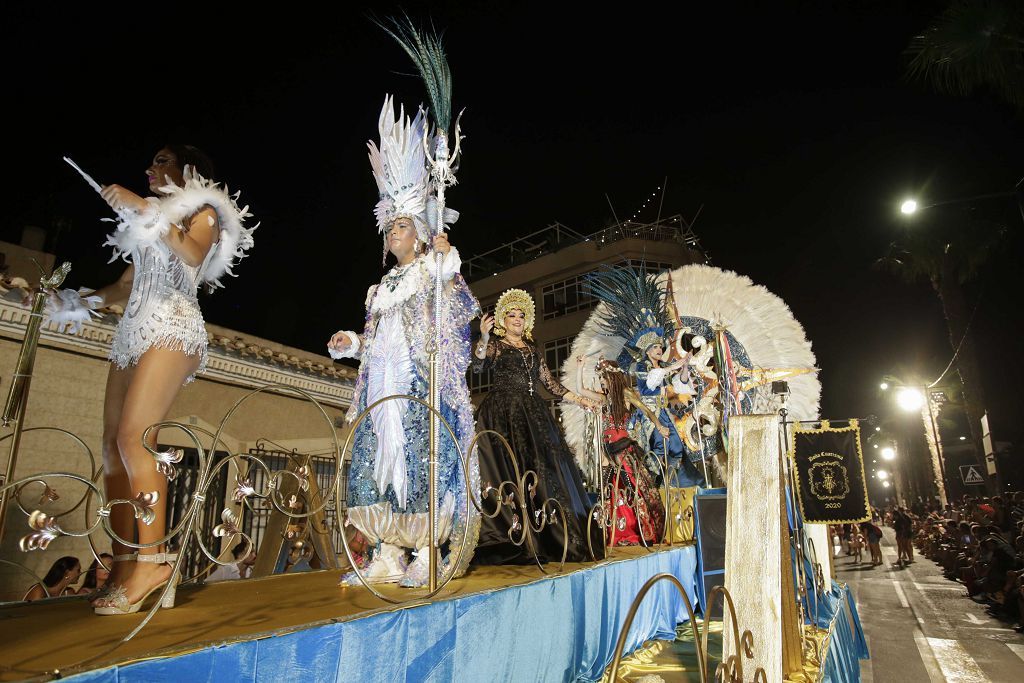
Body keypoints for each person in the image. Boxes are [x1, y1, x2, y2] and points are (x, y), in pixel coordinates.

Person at [55, 145, 255, 615]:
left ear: (187, 170)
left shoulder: (203, 212)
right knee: (111, 446)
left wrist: (141, 206)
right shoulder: (149, 221)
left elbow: (190, 251)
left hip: (172, 325)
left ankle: (154, 561)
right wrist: (76, 303)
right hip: (133, 330)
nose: (148, 167)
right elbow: (124, 286)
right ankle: (126, 561)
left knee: (135, 439)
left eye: (160, 160)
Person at [328, 97, 479, 587]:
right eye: (389, 225)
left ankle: (428, 552)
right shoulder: (381, 288)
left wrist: (445, 255)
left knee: (420, 460)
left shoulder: (433, 271)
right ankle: (387, 552)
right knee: (382, 463)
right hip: (381, 386)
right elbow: (373, 341)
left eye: (402, 225)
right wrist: (351, 341)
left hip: (419, 380)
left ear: (419, 232)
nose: (394, 231)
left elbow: (458, 307)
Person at [470, 289, 602, 564]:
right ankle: (515, 534)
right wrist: (483, 336)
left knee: (542, 470)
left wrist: (580, 400)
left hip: (533, 415)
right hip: (502, 415)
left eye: (521, 315)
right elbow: (479, 365)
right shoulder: (496, 345)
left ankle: (549, 535)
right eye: (511, 315)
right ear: (503, 320)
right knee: (510, 471)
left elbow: (551, 384)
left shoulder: (533, 350)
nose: (517, 319)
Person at [574, 359, 667, 548]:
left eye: (604, 378)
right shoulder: (603, 398)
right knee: (608, 491)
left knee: (633, 489)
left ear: (613, 377)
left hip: (623, 448)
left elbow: (647, 410)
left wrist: (659, 426)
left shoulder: (626, 394)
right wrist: (580, 368)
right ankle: (613, 532)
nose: (602, 382)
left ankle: (641, 531)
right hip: (606, 450)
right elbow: (581, 390)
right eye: (600, 378)